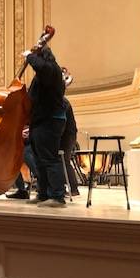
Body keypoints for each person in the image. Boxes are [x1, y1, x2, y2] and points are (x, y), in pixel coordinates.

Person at [23, 32, 67, 208]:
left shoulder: (53, 70)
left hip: (50, 120)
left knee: (49, 158)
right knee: (39, 160)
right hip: (40, 120)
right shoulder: (43, 75)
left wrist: (30, 55)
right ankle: (43, 194)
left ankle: (57, 197)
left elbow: (42, 67)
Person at [61, 67, 79, 196]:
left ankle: (73, 189)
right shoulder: (62, 101)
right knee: (62, 161)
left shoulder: (63, 102)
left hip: (67, 135)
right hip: (66, 134)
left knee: (64, 161)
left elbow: (65, 124)